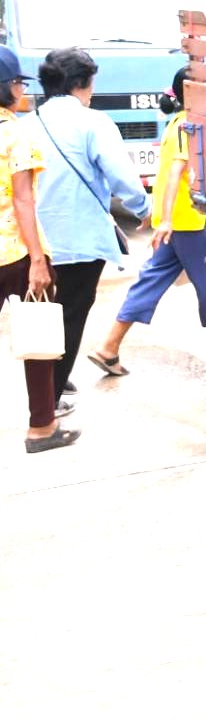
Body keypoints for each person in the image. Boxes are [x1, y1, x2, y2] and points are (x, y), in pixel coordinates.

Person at [90, 68, 206, 374]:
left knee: (149, 282)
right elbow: (175, 174)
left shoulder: (175, 123)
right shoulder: (192, 125)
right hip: (192, 222)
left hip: (177, 224)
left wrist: (160, 217)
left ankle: (109, 348)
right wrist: (166, 219)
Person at [27, 47, 151, 406]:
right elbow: (121, 173)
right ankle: (47, 402)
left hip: (36, 243)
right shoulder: (94, 123)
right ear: (81, 84)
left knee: (42, 315)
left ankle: (51, 381)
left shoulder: (27, 125)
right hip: (79, 240)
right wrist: (143, 207)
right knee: (71, 316)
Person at [0, 48, 75, 452]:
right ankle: (42, 428)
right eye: (17, 83)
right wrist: (37, 260)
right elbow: (23, 201)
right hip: (16, 251)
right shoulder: (15, 132)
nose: (22, 90)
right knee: (41, 339)